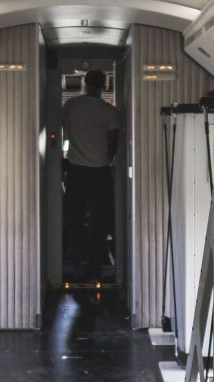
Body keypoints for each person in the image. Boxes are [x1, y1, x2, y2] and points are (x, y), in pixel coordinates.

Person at [61, 69, 122, 281]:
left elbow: (61, 130)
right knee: (99, 217)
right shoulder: (110, 112)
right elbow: (113, 144)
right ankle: (96, 260)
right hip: (100, 171)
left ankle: (80, 259)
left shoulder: (71, 106)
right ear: (104, 86)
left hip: (76, 169)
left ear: (84, 83)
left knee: (75, 216)